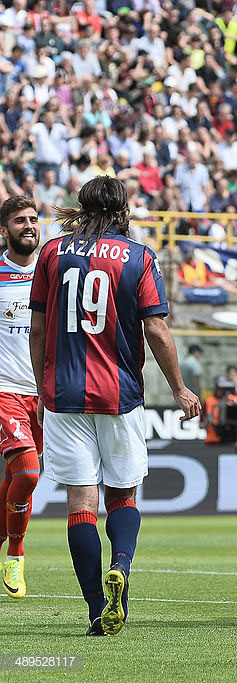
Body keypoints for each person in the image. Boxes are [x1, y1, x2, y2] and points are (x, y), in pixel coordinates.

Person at [27, 176, 202, 636]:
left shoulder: (51, 253)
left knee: (79, 503)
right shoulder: (140, 256)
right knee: (122, 495)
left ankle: (95, 609)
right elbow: (158, 331)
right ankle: (120, 564)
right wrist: (180, 388)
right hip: (119, 395)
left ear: (81, 208)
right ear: (123, 208)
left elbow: (39, 330)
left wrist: (40, 388)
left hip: (62, 395)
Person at [0, 196, 41, 599]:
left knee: (16, 476)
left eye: (32, 219)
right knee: (29, 473)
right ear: (4, 230)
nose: (28, 225)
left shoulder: (50, 270)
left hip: (43, 394)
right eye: (19, 220)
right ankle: (16, 551)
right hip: (4, 391)